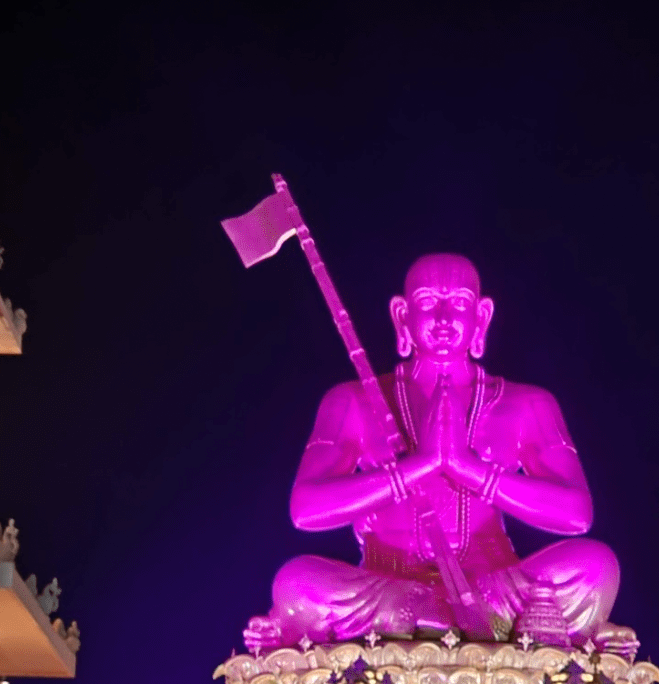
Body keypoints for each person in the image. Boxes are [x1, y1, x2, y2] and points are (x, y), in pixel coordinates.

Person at [244, 254, 637, 654]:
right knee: (295, 583)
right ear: (402, 316)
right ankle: (463, 623)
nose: (446, 317)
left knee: (596, 565)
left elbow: (576, 515)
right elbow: (305, 509)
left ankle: (426, 623)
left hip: (492, 585)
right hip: (388, 581)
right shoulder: (354, 400)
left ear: (482, 317)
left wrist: (470, 469)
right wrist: (418, 467)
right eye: (430, 302)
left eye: (461, 303)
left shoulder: (527, 404)